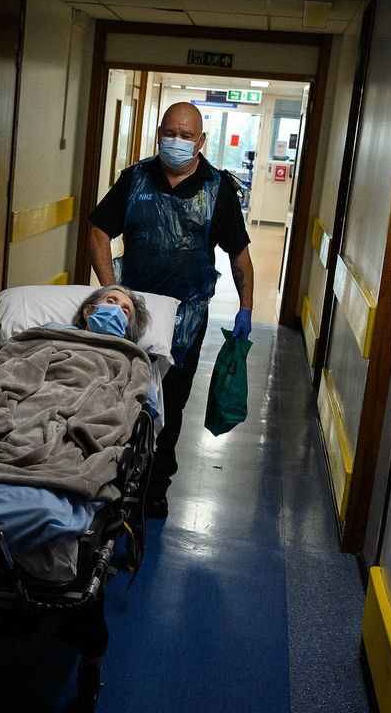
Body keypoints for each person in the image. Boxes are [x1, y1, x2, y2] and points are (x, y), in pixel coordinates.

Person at [87, 102, 254, 519]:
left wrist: (245, 309)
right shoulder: (135, 179)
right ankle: (110, 474)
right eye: (170, 133)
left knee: (170, 401)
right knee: (122, 391)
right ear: (159, 132)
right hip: (133, 311)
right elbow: (98, 230)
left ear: (200, 141)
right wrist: (112, 287)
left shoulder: (218, 190)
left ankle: (154, 485)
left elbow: (240, 257)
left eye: (186, 135)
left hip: (186, 317)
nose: (176, 142)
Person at [70, 283, 151, 344]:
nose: (116, 310)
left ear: (126, 330)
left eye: (124, 311)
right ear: (88, 311)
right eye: (110, 301)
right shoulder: (60, 335)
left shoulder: (131, 361)